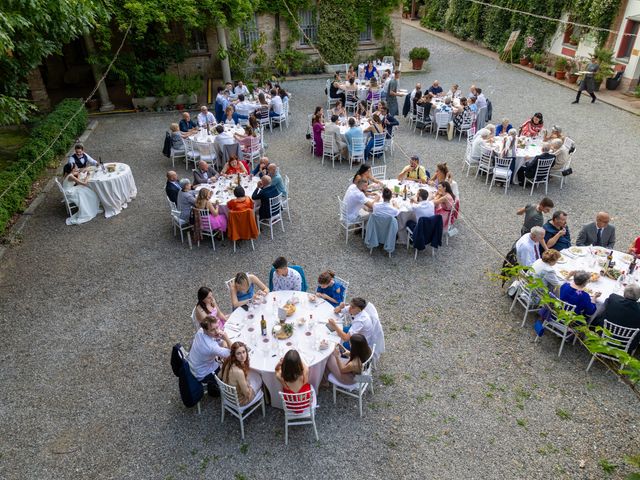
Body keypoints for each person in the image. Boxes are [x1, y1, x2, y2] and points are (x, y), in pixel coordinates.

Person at [188, 316, 231, 396]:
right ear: (205, 330)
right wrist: (226, 339)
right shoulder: (211, 347)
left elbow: (218, 342)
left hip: (192, 365)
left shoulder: (200, 331)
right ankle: (222, 387)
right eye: (212, 330)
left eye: (217, 327)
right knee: (230, 366)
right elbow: (233, 353)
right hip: (202, 374)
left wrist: (222, 343)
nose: (217, 331)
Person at [591, 285, 640, 350]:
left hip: (602, 336)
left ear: (624, 293)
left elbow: (600, 313)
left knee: (603, 311)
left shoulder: (613, 298)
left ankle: (591, 327)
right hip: (626, 345)